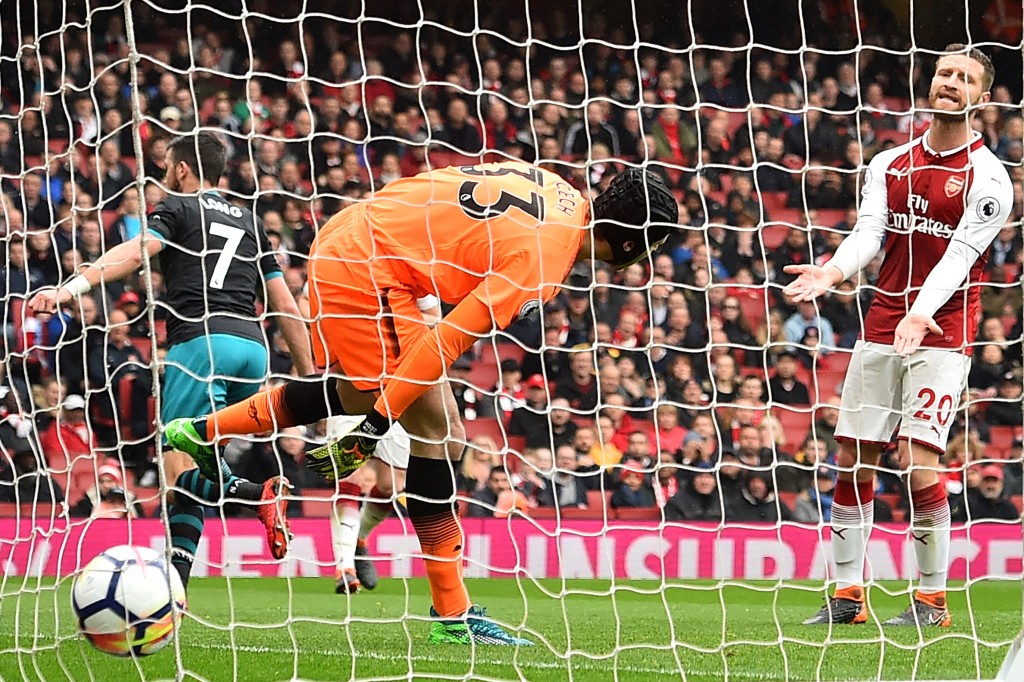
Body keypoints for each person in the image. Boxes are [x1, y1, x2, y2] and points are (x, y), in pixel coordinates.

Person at [165, 162, 678, 645]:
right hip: (369, 265)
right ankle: (451, 614)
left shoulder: (557, 189)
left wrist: (379, 410)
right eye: (650, 248)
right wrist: (375, 426)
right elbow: (445, 345)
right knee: (429, 424)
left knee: (432, 421)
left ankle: (202, 431)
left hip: (378, 245)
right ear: (634, 242)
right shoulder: (543, 261)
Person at [785, 45, 1013, 627]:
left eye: (965, 79)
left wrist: (921, 312)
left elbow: (961, 257)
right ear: (929, 83)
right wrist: (832, 271)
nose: (951, 83)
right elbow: (869, 234)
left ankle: (932, 600)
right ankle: (845, 598)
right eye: (944, 74)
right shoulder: (888, 162)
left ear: (981, 98)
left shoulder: (989, 177)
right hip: (883, 322)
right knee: (852, 455)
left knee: (916, 460)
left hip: (943, 330)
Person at [29, 133, 314, 590]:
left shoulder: (178, 207)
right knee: (191, 472)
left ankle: (257, 494)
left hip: (202, 343)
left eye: (165, 168)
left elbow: (136, 250)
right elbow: (283, 302)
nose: (163, 176)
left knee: (171, 464)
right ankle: (176, 589)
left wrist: (70, 288)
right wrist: (308, 378)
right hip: (252, 348)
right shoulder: (252, 221)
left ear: (181, 169)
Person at [329, 295, 440, 595]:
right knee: (349, 475)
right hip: (349, 385)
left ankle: (359, 538)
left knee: (392, 485)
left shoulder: (414, 275)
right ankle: (344, 567)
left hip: (396, 388)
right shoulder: (342, 263)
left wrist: (395, 326)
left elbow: (435, 319)